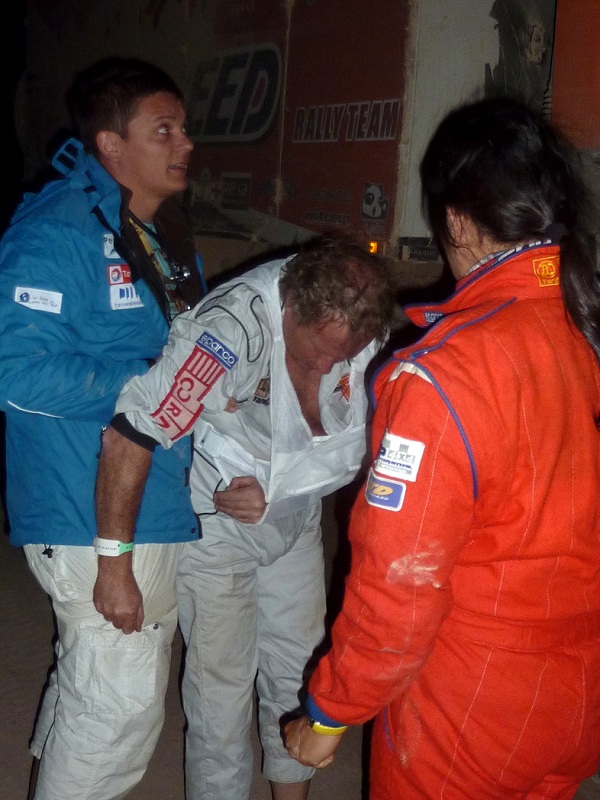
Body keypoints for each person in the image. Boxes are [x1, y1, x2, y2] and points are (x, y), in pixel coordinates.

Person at [284, 97, 600, 799]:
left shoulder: (443, 376)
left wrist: (330, 714)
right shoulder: (583, 331)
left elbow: (400, 587)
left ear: (456, 221)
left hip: (475, 708)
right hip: (579, 693)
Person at [94, 237, 395, 800]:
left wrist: (281, 490)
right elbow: (131, 433)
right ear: (289, 307)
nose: (327, 367)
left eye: (343, 355)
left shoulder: (366, 330)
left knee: (297, 671)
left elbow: (355, 438)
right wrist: (115, 564)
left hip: (297, 513)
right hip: (218, 519)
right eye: (316, 352)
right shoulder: (228, 332)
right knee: (221, 692)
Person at [0, 57, 205, 800]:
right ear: (111, 145)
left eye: (184, 127)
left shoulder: (154, 234)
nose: (185, 143)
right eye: (164, 129)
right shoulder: (57, 234)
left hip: (151, 495)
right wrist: (149, 383)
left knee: (93, 683)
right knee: (117, 707)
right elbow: (17, 374)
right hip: (92, 506)